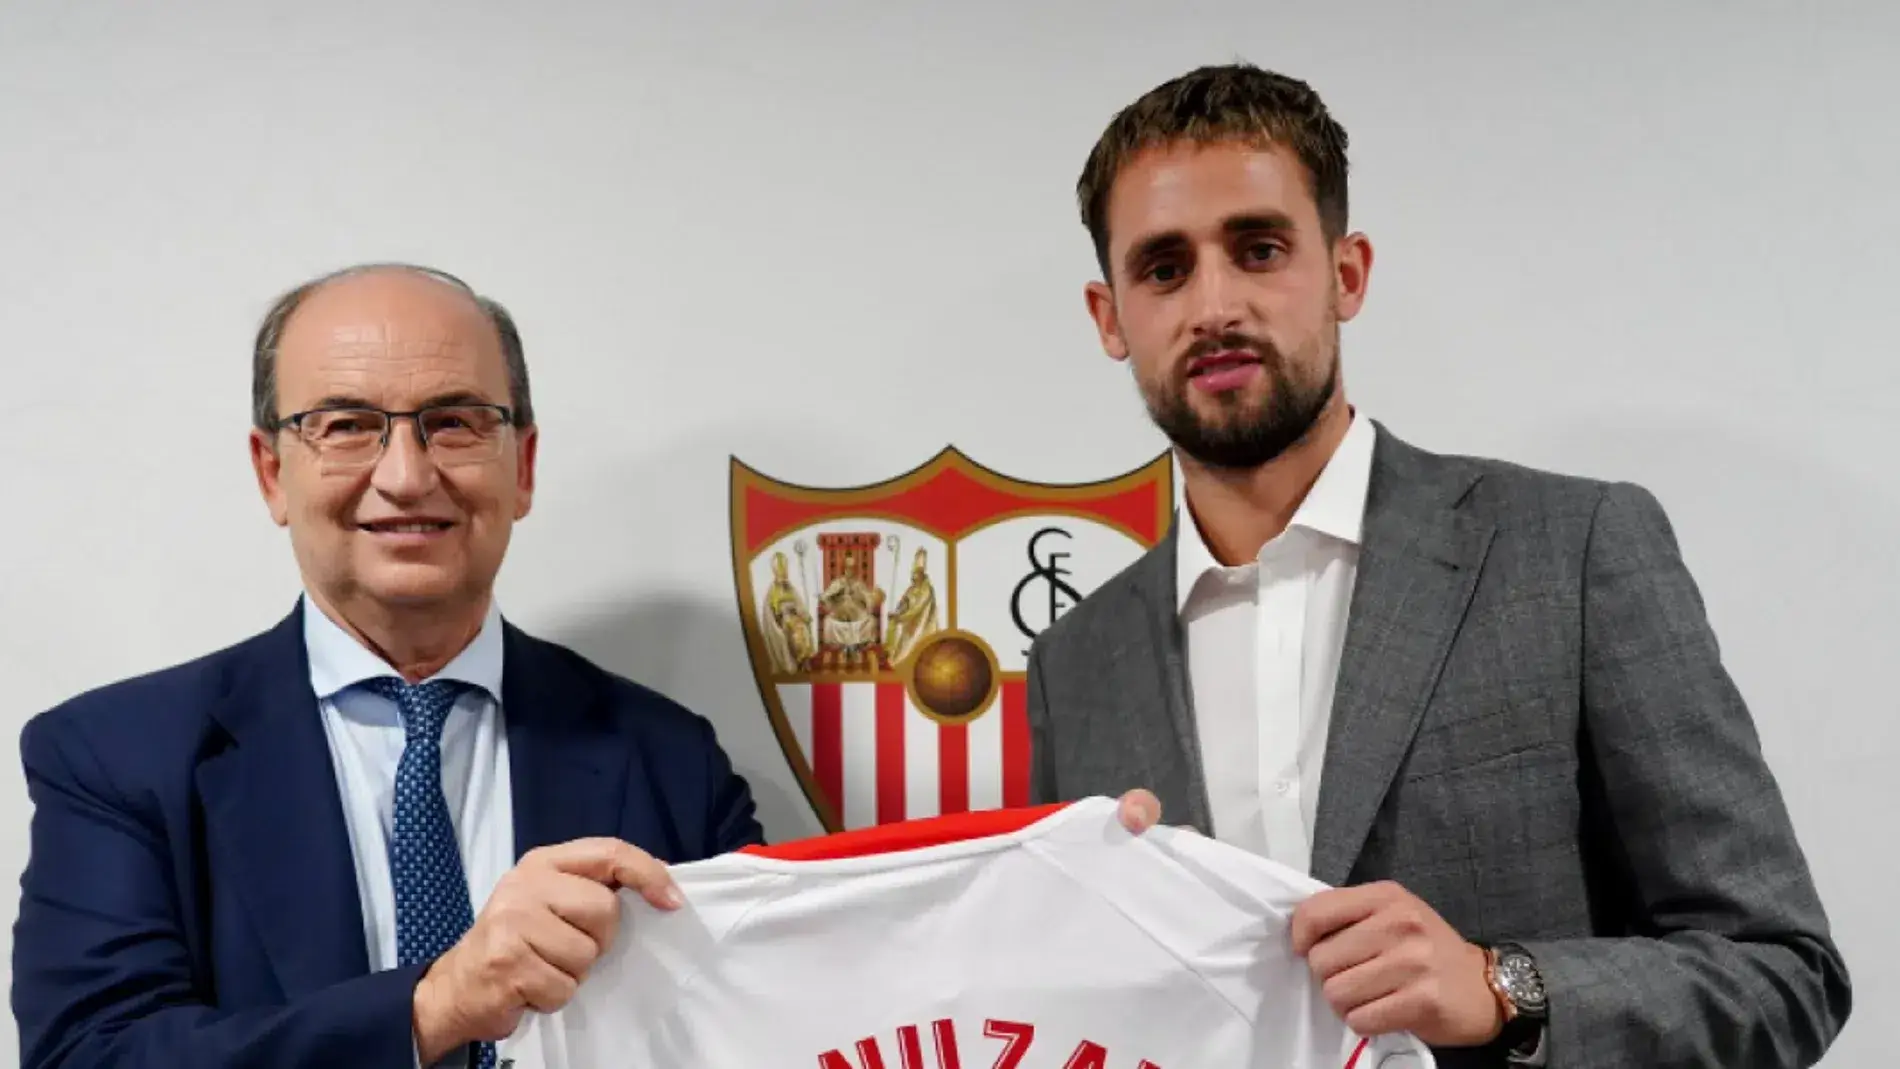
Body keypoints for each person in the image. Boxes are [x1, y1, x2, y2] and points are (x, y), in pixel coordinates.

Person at [1025, 64, 1851, 1068]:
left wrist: (1504, 986)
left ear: (1346, 273)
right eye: (1162, 268)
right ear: (1109, 317)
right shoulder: (1075, 664)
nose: (1215, 303)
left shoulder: (1574, 547)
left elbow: (1783, 972)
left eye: (1258, 248)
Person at [10, 263, 764, 1069]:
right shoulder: (115, 757)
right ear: (273, 473)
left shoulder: (673, 760)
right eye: (345, 425)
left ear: (525, 466)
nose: (406, 475)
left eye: (456, 422)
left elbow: (757, 1034)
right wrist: (434, 1006)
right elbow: (88, 1059)